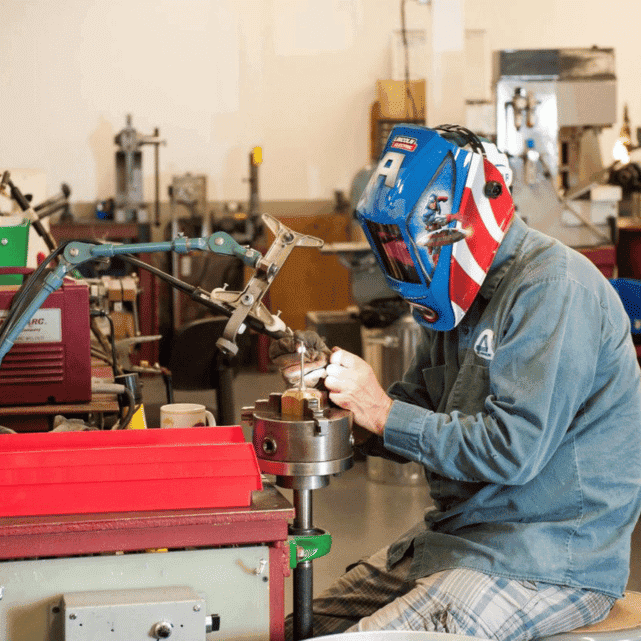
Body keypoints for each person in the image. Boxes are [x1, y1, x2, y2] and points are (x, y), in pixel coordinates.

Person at [270, 124, 641, 641]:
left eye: (412, 246)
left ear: (465, 216)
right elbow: (414, 407)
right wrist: (336, 401)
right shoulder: (459, 301)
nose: (408, 265)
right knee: (288, 631)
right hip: (460, 539)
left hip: (544, 557)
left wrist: (379, 410)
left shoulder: (552, 289)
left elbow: (512, 450)